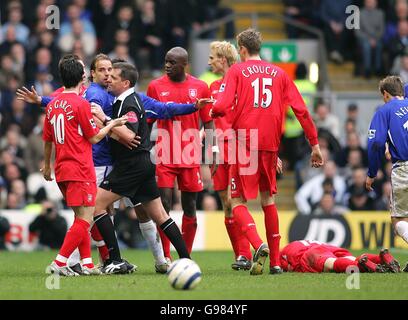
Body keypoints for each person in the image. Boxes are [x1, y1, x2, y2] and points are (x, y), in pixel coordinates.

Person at [210, 28, 324, 275]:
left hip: (243, 142)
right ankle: (275, 262)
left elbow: (222, 104)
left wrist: (213, 111)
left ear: (241, 49)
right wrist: (314, 145)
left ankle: (257, 244)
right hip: (271, 145)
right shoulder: (280, 73)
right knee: (268, 200)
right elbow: (301, 110)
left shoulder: (237, 71)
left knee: (236, 200)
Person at [94, 61, 196, 273]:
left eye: (113, 77)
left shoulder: (129, 103)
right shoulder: (123, 101)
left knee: (96, 206)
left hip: (131, 166)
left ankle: (115, 260)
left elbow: (130, 136)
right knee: (160, 216)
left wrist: (105, 119)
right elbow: (125, 135)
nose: (108, 80)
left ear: (125, 82)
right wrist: (113, 128)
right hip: (142, 165)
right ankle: (187, 260)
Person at [42, 55, 127, 276]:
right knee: (85, 218)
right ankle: (60, 262)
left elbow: (47, 138)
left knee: (80, 216)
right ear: (82, 76)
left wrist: (47, 165)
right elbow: (94, 138)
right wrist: (112, 124)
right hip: (80, 168)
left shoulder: (53, 104)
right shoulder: (81, 104)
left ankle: (87, 263)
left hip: (61, 169)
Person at [147, 47, 215, 260]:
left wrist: (212, 152)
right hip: (164, 155)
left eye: (172, 62)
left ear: (184, 64)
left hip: (190, 155)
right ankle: (166, 257)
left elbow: (209, 122)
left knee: (190, 206)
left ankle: (185, 256)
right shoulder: (155, 86)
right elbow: (147, 120)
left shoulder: (200, 87)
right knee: (164, 205)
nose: (167, 66)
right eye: (166, 61)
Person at [207, 40, 252, 270]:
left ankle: (246, 253)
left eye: (212, 57)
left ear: (223, 59)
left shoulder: (243, 82)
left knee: (237, 201)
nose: (209, 61)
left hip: (238, 146)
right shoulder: (213, 86)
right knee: (225, 203)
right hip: (218, 150)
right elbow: (210, 122)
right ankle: (241, 256)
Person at [366, 75, 408, 272]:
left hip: (404, 168)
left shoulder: (384, 111)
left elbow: (375, 142)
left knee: (399, 221)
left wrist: (372, 172)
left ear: (385, 94)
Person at [280, 240, 400, 273]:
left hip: (310, 252)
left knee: (331, 264)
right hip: (328, 246)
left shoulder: (282, 253)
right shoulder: (300, 242)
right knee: (353, 258)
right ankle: (382, 258)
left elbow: (288, 267)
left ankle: (363, 266)